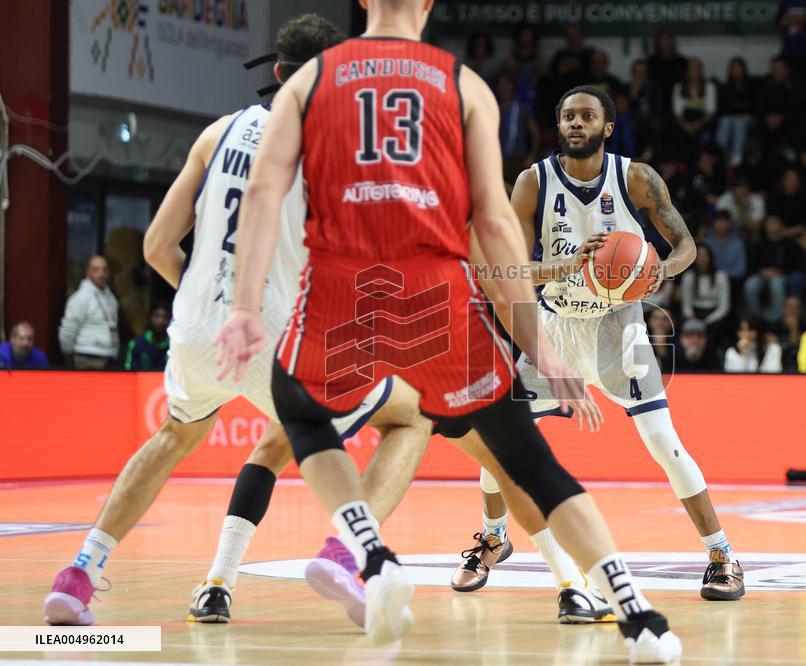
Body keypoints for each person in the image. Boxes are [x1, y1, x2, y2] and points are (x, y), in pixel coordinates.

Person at [216, 7, 684, 659]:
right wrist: (543, 347)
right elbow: (493, 225)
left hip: (339, 294)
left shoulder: (310, 80)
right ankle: (637, 614)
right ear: (431, 6)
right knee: (530, 463)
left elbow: (265, 189)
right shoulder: (464, 85)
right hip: (438, 301)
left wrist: (243, 308)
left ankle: (368, 552)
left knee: (296, 412)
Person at [43, 15, 430, 631]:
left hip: (199, 332)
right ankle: (346, 555)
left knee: (179, 437)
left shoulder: (219, 131)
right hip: (278, 337)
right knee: (411, 414)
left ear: (275, 73)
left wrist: (210, 303)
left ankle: (80, 574)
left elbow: (156, 248)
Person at [449, 85, 742, 610]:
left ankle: (722, 555)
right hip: (553, 323)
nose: (575, 123)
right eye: (567, 116)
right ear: (558, 125)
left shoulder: (637, 178)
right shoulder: (533, 183)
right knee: (496, 447)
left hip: (619, 327)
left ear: (607, 127)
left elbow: (687, 245)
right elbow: (507, 271)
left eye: (586, 116)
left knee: (664, 443)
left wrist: (660, 271)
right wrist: (563, 267)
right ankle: (494, 538)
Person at [58, 255, 119, 369]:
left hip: (108, 358)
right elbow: (67, 331)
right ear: (88, 272)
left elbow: (113, 327)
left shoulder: (111, 298)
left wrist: (114, 352)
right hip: (86, 358)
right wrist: (70, 360)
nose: (101, 274)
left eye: (104, 270)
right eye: (96, 270)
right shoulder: (80, 298)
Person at [743, 216, 793, 325]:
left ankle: (774, 319)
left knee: (777, 283)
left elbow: (793, 264)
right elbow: (752, 264)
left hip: (781, 275)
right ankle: (757, 317)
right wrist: (762, 271)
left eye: (775, 222)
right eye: (769, 223)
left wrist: (779, 271)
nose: (772, 225)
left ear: (781, 225)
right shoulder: (759, 243)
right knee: (750, 285)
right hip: (761, 274)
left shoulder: (788, 244)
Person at [714, 57, 757, 167]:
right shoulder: (726, 88)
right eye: (734, 68)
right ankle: (719, 153)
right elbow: (723, 110)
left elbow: (754, 107)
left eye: (739, 68)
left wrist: (744, 114)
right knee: (725, 121)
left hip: (748, 119)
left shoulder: (752, 86)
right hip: (731, 119)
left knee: (739, 122)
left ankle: (737, 156)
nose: (736, 71)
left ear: (744, 69)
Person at [124, 305, 170, 371]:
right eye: (156, 316)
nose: (160, 321)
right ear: (150, 318)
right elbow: (128, 371)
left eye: (165, 317)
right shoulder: (137, 343)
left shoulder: (173, 345)